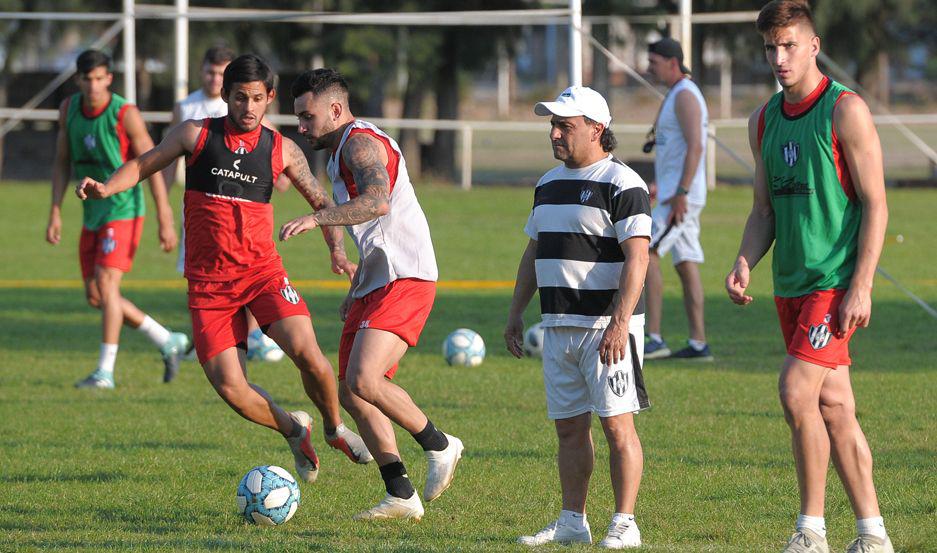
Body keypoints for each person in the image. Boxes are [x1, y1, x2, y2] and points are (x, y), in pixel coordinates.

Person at [76, 54, 372, 482]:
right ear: (224, 96)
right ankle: (294, 429)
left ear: (269, 97)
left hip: (262, 275)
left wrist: (338, 252)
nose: (248, 107)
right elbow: (144, 163)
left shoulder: (281, 148)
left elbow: (322, 203)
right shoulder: (195, 135)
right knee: (232, 389)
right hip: (208, 286)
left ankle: (334, 427)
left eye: (256, 98)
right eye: (239, 98)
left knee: (309, 355)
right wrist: (107, 186)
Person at [725, 2, 892, 552]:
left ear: (814, 45)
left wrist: (861, 285)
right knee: (835, 407)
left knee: (797, 392)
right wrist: (746, 259)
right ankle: (872, 536)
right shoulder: (764, 120)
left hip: (834, 284)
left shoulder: (846, 111)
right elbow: (763, 212)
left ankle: (810, 531)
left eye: (790, 45)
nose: (779, 57)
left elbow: (875, 204)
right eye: (771, 47)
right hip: (791, 287)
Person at [281, 68, 463, 521]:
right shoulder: (338, 150)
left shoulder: (361, 143)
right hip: (376, 278)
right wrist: (349, 262)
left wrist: (317, 222)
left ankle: (440, 444)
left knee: (365, 379)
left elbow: (378, 201)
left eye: (308, 116)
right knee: (351, 392)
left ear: (336, 109)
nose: (302, 127)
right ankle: (400, 494)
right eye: (298, 118)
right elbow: (368, 221)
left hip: (407, 275)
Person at [504, 86, 651, 548]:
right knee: (569, 427)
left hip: (606, 329)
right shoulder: (547, 184)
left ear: (596, 129)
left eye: (565, 125)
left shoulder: (623, 183)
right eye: (553, 125)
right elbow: (534, 251)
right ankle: (573, 520)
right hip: (557, 325)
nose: (554, 133)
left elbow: (639, 259)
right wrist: (515, 313)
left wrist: (619, 322)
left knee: (616, 425)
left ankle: (625, 522)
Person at [46, 49, 190, 389]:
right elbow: (61, 162)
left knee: (109, 287)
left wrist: (165, 216)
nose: (94, 86)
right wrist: (54, 210)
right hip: (92, 212)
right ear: (78, 80)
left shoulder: (125, 114)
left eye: (100, 79)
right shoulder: (68, 110)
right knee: (97, 296)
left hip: (123, 209)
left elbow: (151, 163)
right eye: (87, 79)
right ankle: (167, 339)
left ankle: (104, 372)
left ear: (109, 78)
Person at [161, 45, 288, 362]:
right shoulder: (186, 109)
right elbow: (162, 161)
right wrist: (164, 211)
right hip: (201, 206)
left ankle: (252, 337)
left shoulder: (246, 109)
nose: (215, 77)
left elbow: (276, 155)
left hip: (244, 211)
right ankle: (212, 341)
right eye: (210, 71)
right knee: (200, 276)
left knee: (248, 273)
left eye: (221, 72)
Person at [643, 37, 712, 361]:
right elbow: (676, 150)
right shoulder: (675, 93)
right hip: (674, 192)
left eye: (654, 63)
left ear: (672, 62)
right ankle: (699, 344)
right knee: (685, 264)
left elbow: (697, 146)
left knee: (646, 250)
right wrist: (662, 183)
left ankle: (653, 338)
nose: (649, 68)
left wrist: (681, 191)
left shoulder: (685, 94)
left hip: (680, 198)